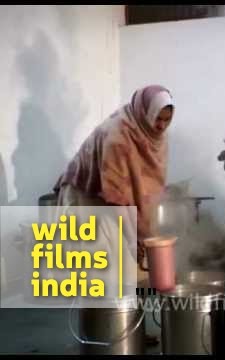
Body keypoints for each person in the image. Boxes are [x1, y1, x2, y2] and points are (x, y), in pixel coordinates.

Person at [53, 85, 174, 345]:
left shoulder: (151, 135)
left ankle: (133, 331)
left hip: (112, 199)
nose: (162, 126)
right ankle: (103, 334)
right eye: (158, 119)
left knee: (130, 265)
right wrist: (135, 240)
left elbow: (145, 190)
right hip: (87, 198)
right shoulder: (118, 137)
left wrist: (144, 236)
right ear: (145, 112)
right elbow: (116, 198)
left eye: (167, 120)